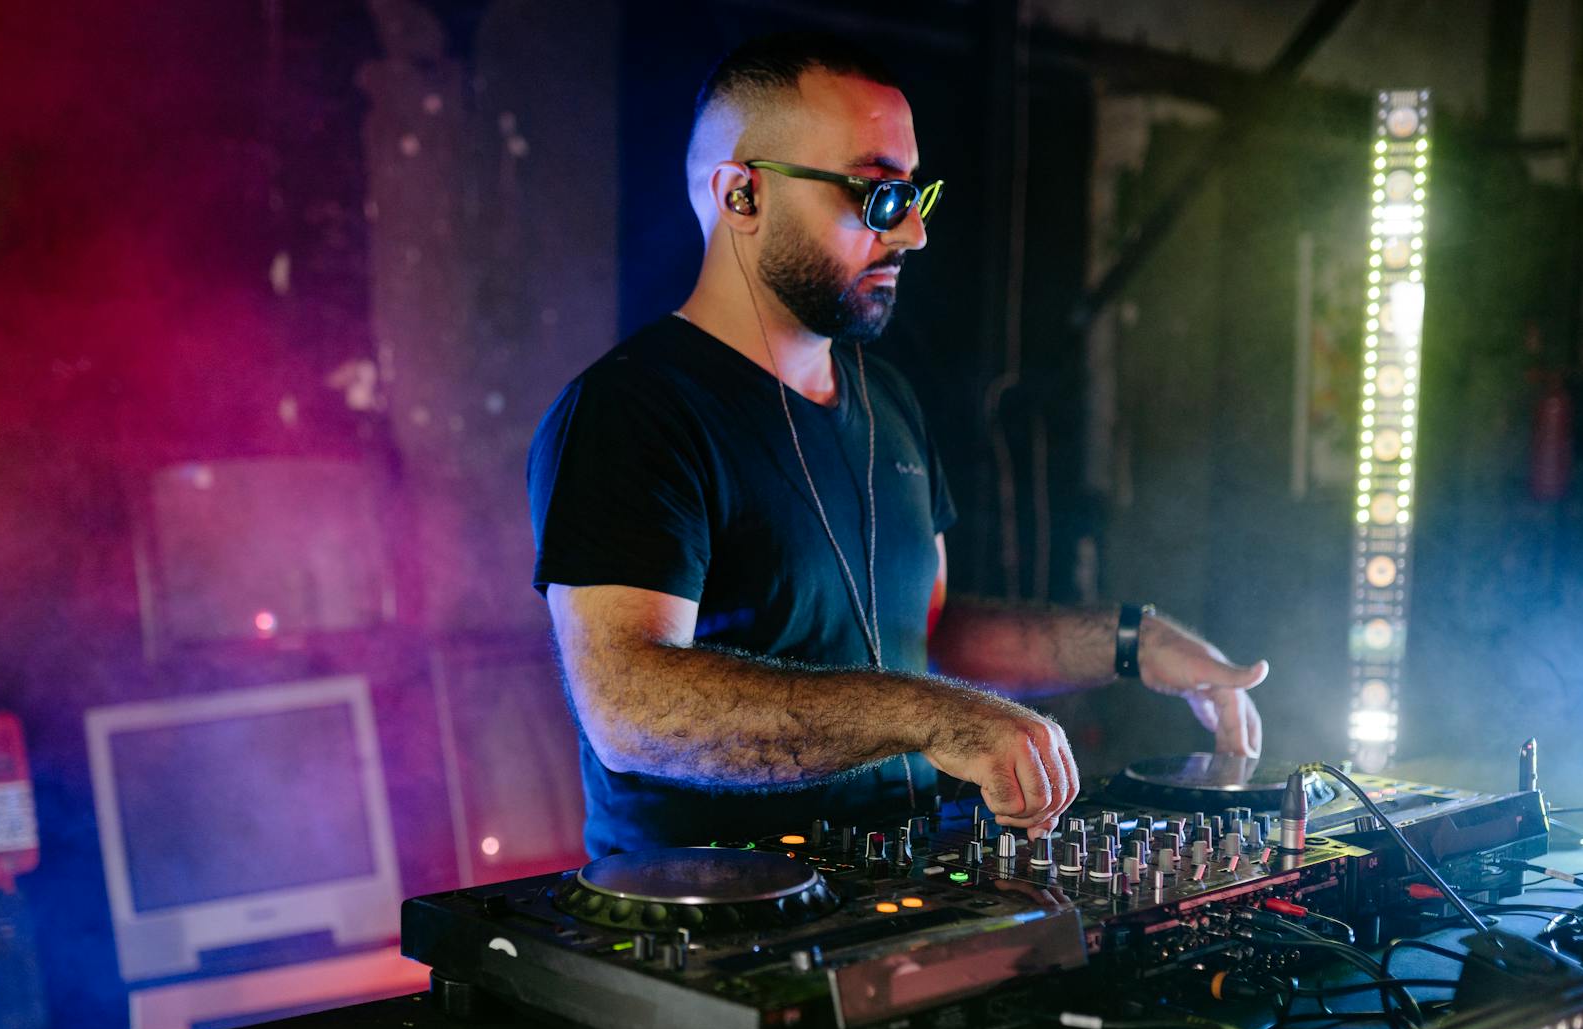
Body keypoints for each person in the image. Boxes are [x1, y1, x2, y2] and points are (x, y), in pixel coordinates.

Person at [527, 31, 1267, 858]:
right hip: (717, 934)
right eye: (878, 195)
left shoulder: (889, 400)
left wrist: (1132, 640)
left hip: (894, 899)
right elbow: (631, 708)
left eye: (917, 194)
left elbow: (929, 636)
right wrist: (935, 715)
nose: (912, 233)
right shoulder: (635, 410)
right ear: (743, 196)